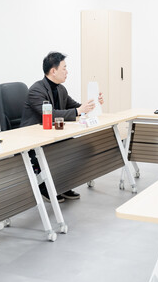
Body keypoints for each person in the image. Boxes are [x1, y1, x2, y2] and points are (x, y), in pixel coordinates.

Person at [20, 51, 103, 202]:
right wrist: (79, 111)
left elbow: (76, 107)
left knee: (84, 148)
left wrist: (93, 104)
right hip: (36, 138)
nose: (67, 71)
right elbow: (51, 114)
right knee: (68, 150)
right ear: (53, 71)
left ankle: (62, 185)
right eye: (64, 68)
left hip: (54, 135)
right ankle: (45, 187)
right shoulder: (36, 90)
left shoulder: (61, 89)